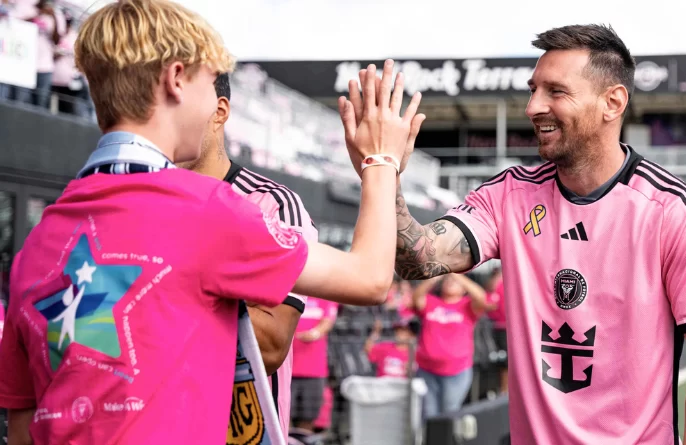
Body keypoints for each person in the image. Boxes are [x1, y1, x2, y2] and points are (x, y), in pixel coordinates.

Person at [0, 1, 422, 444]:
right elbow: (371, 279)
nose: (217, 107)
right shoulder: (207, 210)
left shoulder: (39, 241)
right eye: (209, 81)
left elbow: (24, 432)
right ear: (176, 79)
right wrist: (380, 159)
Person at [342, 24, 686, 444]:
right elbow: (417, 258)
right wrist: (382, 169)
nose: (533, 107)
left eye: (556, 91)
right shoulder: (508, 195)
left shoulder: (673, 210)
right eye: (534, 90)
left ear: (612, 102)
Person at [176, 72, 314, 443]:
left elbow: (269, 345)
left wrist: (163, 292)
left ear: (219, 112)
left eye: (181, 101)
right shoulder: (141, 200)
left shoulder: (272, 204)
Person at [411, 273, 488, 418]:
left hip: (456, 371)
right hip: (426, 370)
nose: (450, 282)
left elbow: (481, 297)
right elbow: (416, 298)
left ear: (464, 288)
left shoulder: (467, 305)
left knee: (449, 414)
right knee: (428, 414)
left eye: (455, 281)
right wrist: (436, 275)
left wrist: (455, 273)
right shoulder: (431, 302)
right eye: (447, 280)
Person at [290, 297, 337, 433]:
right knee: (282, 415)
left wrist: (314, 334)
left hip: (314, 370)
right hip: (285, 369)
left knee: (308, 418)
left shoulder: (325, 297)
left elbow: (328, 321)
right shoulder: (289, 293)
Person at [484, 268, 508, 394]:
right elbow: (489, 305)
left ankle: (506, 390)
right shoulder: (495, 287)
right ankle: (503, 391)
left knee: (508, 362)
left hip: (509, 329)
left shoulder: (507, 284)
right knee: (502, 361)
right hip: (497, 328)